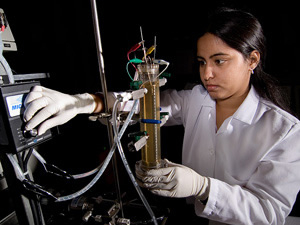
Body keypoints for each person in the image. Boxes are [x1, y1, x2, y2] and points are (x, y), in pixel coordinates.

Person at [23, 8, 300, 225]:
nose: (206, 74)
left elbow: (271, 211)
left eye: (219, 61)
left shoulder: (284, 130)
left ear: (252, 60)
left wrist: (203, 187)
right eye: (202, 62)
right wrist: (82, 103)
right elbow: (142, 106)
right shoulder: (196, 100)